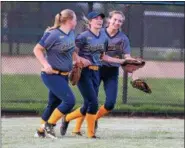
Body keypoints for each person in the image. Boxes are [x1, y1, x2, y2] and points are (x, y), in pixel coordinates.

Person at [59, 11, 132, 139]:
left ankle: (89, 118)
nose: (117, 22)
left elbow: (126, 57)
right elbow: (74, 49)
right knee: (90, 102)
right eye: (115, 19)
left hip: (111, 71)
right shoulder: (98, 31)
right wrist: (78, 61)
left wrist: (132, 65)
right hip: (95, 69)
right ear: (109, 20)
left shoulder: (122, 38)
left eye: (120, 21)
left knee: (109, 104)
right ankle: (77, 129)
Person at [33, 9, 90, 139]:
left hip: (64, 75)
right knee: (69, 101)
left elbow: (71, 50)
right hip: (51, 75)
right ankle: (50, 125)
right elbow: (37, 49)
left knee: (53, 104)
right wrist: (46, 64)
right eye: (75, 19)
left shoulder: (70, 33)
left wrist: (78, 60)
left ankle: (40, 131)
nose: (76, 22)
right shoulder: (53, 34)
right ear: (69, 20)